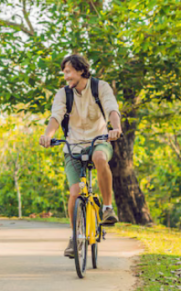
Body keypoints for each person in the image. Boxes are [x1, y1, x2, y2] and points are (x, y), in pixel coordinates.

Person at [38, 54, 123, 257]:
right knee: (75, 193)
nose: (66, 77)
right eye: (64, 73)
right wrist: (47, 136)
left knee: (100, 159)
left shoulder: (100, 87)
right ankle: (75, 237)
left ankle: (107, 208)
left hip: (99, 141)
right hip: (73, 146)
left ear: (81, 71)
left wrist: (116, 128)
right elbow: (55, 117)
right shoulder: (62, 94)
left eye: (68, 72)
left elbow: (112, 109)